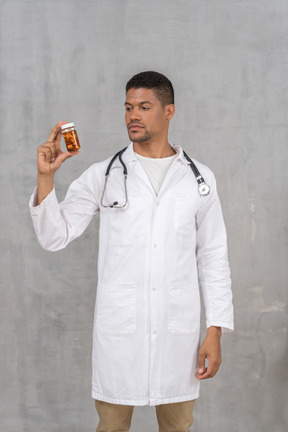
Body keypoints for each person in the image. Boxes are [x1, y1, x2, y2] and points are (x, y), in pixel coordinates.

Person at [29, 71, 234, 432]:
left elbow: (213, 257)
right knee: (111, 426)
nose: (132, 115)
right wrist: (46, 178)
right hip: (120, 335)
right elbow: (53, 237)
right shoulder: (103, 175)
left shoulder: (199, 179)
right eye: (128, 107)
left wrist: (215, 331)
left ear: (169, 111)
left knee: (177, 426)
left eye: (144, 106)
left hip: (177, 336)